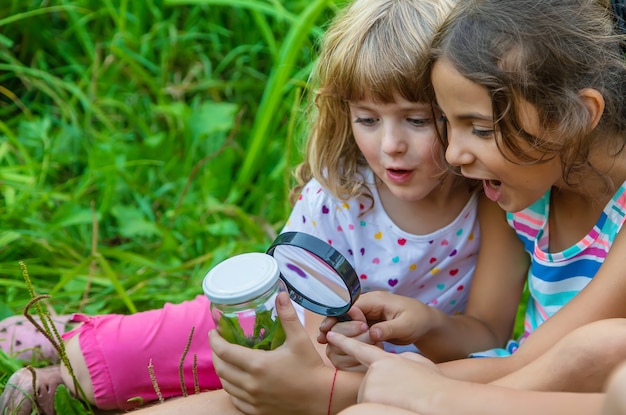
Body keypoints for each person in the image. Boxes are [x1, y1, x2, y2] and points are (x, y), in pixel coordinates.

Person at [0, 0, 528, 414]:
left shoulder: (492, 207)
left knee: (231, 398)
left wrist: (428, 324)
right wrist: (317, 355)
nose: (390, 145)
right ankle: (68, 343)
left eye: (416, 120)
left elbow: (488, 331)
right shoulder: (342, 195)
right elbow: (289, 295)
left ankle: (69, 372)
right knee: (109, 362)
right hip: (278, 329)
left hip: (376, 376)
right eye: (368, 119)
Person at [319, 0, 626, 413]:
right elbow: (502, 347)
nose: (453, 156)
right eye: (447, 122)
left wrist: (324, 388)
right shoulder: (522, 195)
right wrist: (426, 327)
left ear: (577, 114)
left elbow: (548, 365)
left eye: (480, 128)